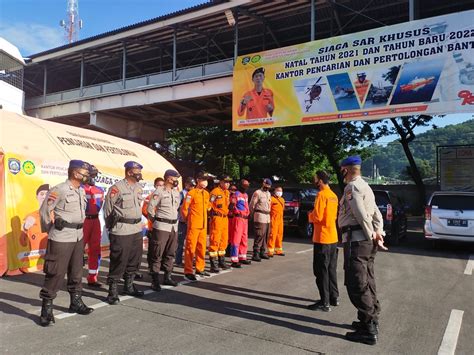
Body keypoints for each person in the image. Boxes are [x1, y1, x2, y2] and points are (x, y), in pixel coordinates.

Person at [338, 155, 387, 345]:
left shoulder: (352, 187)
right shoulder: (365, 186)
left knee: (356, 283)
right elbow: (376, 214)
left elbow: (360, 213)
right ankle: (369, 318)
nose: (341, 172)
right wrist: (378, 232)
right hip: (365, 241)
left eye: (343, 169)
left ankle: (368, 329)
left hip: (358, 241)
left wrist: (370, 234)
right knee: (368, 280)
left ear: (347, 169)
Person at [38, 160, 93, 327]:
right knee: (55, 272)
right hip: (62, 236)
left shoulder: (81, 191)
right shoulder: (59, 189)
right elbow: (45, 211)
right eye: (84, 172)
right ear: (75, 173)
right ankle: (46, 309)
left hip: (78, 235)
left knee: (76, 271)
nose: (87, 175)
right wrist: (52, 230)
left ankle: (75, 302)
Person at [104, 161, 145, 305]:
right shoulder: (117, 188)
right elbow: (108, 209)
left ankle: (129, 286)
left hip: (136, 229)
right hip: (121, 229)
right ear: (129, 172)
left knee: (134, 259)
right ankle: (112, 290)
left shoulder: (138, 188)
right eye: (137, 171)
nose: (139, 173)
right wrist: (111, 227)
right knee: (119, 259)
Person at [307, 171, 339, 312]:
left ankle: (324, 302)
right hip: (333, 237)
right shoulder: (333, 195)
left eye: (315, 179)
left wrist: (310, 216)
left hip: (322, 238)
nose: (314, 181)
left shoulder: (321, 195)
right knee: (331, 269)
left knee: (321, 271)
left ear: (320, 181)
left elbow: (318, 216)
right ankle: (333, 297)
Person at [147, 169, 181, 291]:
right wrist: (155, 221)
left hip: (173, 226)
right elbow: (150, 208)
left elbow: (177, 208)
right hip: (161, 226)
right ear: (168, 179)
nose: (176, 181)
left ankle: (167, 276)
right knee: (157, 253)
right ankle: (154, 280)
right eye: (175, 178)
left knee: (171, 252)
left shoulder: (176, 192)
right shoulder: (159, 191)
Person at [180, 172, 211, 281]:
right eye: (203, 179)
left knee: (201, 248)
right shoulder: (191, 193)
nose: (205, 182)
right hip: (193, 225)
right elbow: (184, 208)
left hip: (203, 226)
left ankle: (200, 268)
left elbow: (208, 206)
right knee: (190, 248)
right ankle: (188, 271)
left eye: (206, 180)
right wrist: (187, 219)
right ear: (198, 180)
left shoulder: (207, 194)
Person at [82, 164, 105, 287]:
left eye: (95, 175)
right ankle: (72, 279)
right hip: (82, 221)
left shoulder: (100, 190)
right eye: (91, 175)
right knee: (77, 250)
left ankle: (92, 277)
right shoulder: (78, 188)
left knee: (95, 249)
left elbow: (100, 205)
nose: (93, 177)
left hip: (95, 221)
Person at [20, 183, 50, 270]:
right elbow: (22, 243)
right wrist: (25, 228)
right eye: (42, 194)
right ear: (37, 196)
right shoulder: (30, 216)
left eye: (47, 194)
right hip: (34, 262)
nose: (44, 196)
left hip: (51, 261)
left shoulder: (55, 215)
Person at [208, 174, 233, 273]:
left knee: (224, 240)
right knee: (215, 240)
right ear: (220, 182)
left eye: (228, 182)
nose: (227, 184)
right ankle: (213, 264)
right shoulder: (215, 192)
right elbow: (209, 204)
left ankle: (221, 261)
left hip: (224, 218)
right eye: (225, 182)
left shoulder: (227, 192)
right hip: (217, 218)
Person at [142, 177, 165, 272]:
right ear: (155, 186)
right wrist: (154, 218)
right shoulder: (150, 197)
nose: (160, 187)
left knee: (163, 248)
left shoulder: (166, 196)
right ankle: (151, 266)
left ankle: (161, 265)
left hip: (164, 227)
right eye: (158, 185)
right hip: (153, 227)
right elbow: (144, 210)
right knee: (153, 249)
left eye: (162, 185)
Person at [229, 179, 251, 268]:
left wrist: (248, 213)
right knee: (236, 239)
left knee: (244, 238)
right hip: (238, 218)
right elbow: (232, 206)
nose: (246, 187)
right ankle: (234, 259)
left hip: (245, 219)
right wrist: (237, 212)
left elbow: (246, 206)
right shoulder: (236, 194)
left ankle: (242, 257)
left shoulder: (245, 195)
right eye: (244, 185)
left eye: (247, 185)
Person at [250, 178, 272, 261]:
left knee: (266, 235)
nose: (268, 187)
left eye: (269, 185)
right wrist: (252, 215)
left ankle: (262, 252)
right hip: (260, 215)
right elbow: (252, 205)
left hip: (267, 216)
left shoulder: (269, 194)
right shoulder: (257, 193)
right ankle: (255, 253)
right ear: (263, 184)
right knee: (259, 234)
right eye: (266, 185)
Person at [176, 177, 196, 267]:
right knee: (180, 242)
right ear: (186, 184)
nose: (192, 187)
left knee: (192, 242)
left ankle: (191, 260)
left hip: (192, 221)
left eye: (193, 186)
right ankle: (178, 261)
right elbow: (178, 207)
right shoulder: (181, 194)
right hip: (183, 221)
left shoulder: (194, 194)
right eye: (190, 185)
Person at [267, 186, 285, 257]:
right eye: (278, 190)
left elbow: (282, 209)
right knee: (273, 235)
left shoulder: (282, 200)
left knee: (279, 234)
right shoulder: (271, 199)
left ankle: (278, 250)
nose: (280, 192)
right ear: (275, 191)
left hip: (280, 219)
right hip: (273, 219)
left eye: (281, 190)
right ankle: (270, 251)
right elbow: (269, 209)